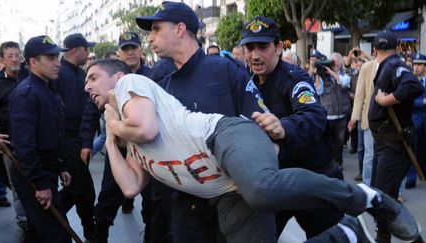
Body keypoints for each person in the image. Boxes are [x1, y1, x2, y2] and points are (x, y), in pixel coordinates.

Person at [85, 58, 420, 243]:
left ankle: (366, 197)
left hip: (227, 137)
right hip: (225, 189)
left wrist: (113, 125)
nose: (86, 85)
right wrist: (113, 142)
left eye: (92, 77)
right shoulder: (128, 138)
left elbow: (145, 127)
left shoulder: (129, 84)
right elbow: (131, 186)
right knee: (257, 193)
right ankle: (346, 234)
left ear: (115, 78)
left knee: (262, 189)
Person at [136, 2, 269, 242]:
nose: (150, 38)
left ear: (179, 29)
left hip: (235, 200)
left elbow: (259, 123)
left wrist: (252, 172)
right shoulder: (161, 90)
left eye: (156, 29)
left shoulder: (226, 70)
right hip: (187, 209)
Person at [239, 16, 344, 238]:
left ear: (278, 48)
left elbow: (315, 116)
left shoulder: (294, 78)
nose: (255, 55)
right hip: (276, 184)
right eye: (249, 47)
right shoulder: (246, 83)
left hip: (315, 181)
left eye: (263, 47)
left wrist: (284, 127)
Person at [88, 31, 154, 243]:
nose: (130, 53)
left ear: (141, 50)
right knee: (108, 196)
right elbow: (89, 113)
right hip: (118, 148)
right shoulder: (107, 81)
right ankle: (99, 237)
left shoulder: (153, 76)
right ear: (119, 53)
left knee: (152, 201)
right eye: (125, 49)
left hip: (147, 148)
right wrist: (86, 142)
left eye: (133, 48)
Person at [9, 35, 72, 242]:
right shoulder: (26, 94)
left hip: (47, 169)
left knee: (43, 231)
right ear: (33, 62)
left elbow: (53, 132)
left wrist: (61, 166)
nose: (57, 63)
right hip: (34, 175)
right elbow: (25, 146)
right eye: (51, 58)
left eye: (57, 57)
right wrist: (40, 184)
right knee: (56, 235)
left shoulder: (47, 88)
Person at [368, 31, 424, 242]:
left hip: (393, 146)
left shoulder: (393, 65)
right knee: (380, 197)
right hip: (384, 144)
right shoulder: (390, 64)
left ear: (374, 51)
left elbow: (413, 86)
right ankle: (385, 237)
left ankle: (408, 238)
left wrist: (386, 100)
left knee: (381, 199)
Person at [56, 33, 97, 241]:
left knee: (75, 191)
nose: (88, 53)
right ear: (76, 50)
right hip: (68, 142)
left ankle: (48, 220)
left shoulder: (81, 74)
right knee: (84, 191)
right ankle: (90, 230)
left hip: (81, 140)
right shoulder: (59, 74)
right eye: (86, 49)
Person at [0, 41, 29, 235]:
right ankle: (24, 222)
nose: (15, 59)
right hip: (10, 145)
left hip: (32, 143)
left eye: (18, 55)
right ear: (1, 60)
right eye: (10, 56)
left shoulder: (30, 77)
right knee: (18, 186)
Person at [315, 52, 352, 166]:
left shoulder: (345, 75)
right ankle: (329, 163)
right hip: (327, 115)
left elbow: (344, 82)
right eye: (332, 62)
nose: (335, 64)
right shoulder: (323, 76)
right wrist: (317, 75)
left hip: (341, 115)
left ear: (341, 63)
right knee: (328, 142)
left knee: (339, 142)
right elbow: (318, 91)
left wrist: (331, 72)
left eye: (336, 62)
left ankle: (338, 163)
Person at [348, 57, 378, 186]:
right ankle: (367, 186)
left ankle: (396, 191)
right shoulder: (367, 67)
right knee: (369, 155)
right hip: (369, 118)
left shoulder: (396, 65)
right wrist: (354, 118)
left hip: (390, 121)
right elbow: (359, 95)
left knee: (390, 156)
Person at [405, 53, 426, 189]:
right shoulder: (410, 80)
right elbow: (406, 100)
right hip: (415, 119)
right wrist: (422, 102)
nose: (416, 67)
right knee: (412, 150)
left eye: (419, 65)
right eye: (415, 64)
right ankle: (411, 178)